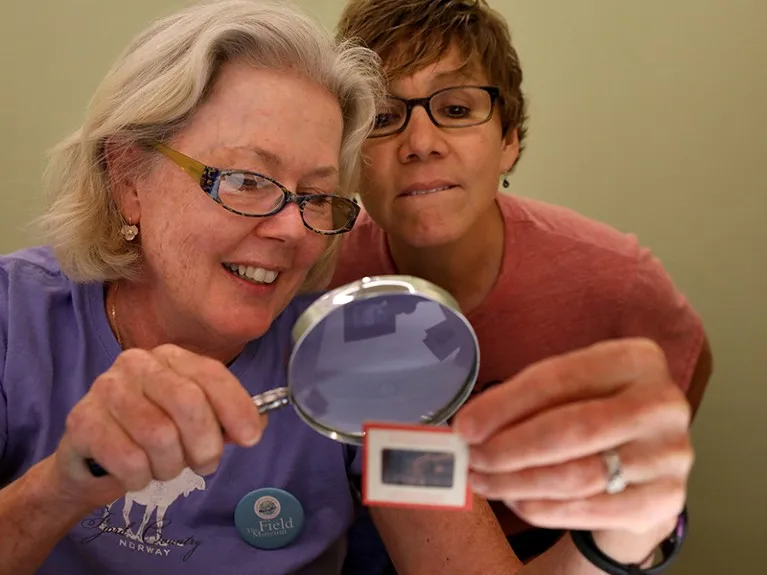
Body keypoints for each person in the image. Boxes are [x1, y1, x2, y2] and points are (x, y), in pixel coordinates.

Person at [0, 1, 525, 574]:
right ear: (128, 178)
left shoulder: (372, 363)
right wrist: (59, 489)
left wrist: (617, 536)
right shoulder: (13, 320)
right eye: (247, 181)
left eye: (317, 196)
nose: (293, 229)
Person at [330, 0, 713, 572]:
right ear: (349, 154)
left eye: (456, 108)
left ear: (509, 138)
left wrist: (628, 499)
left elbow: (685, 372)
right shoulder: (324, 279)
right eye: (384, 118)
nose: (420, 142)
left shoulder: (614, 279)